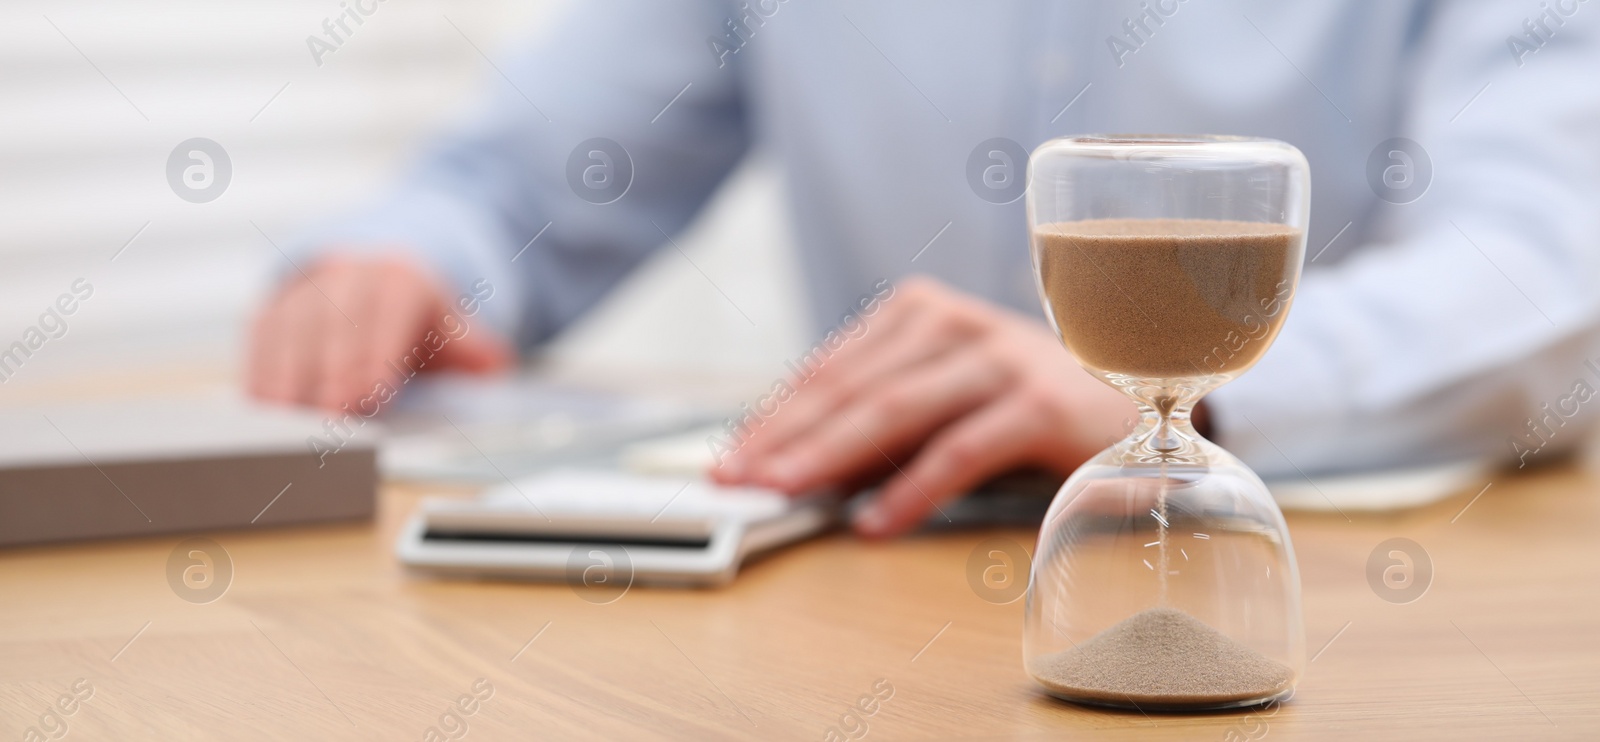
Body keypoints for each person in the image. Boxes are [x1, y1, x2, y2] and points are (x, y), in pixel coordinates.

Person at [249, 0, 1600, 537]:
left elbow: (1549, 257)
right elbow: (522, 177)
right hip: (866, 575)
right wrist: (411, 257)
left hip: (1384, 595)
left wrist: (1176, 393)